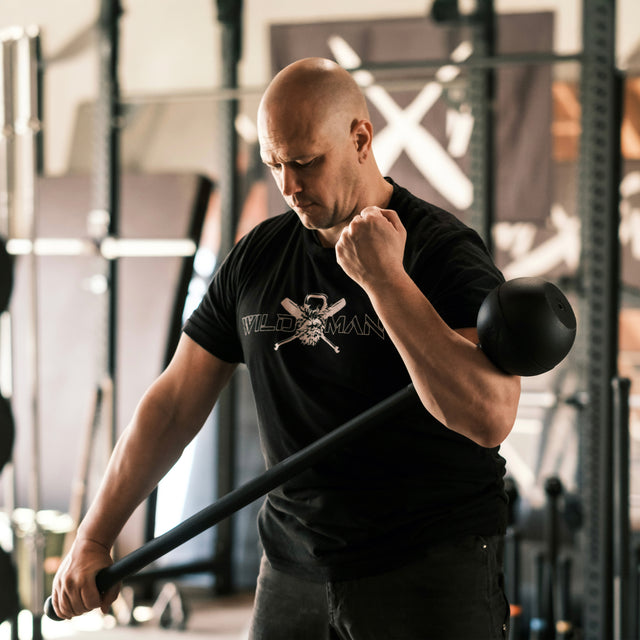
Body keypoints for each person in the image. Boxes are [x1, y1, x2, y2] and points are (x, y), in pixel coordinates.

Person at [51, 57, 520, 639]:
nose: (291, 186)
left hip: (425, 567)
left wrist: (385, 282)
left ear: (360, 138)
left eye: (305, 162)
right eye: (276, 164)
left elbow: (488, 417)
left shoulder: (443, 252)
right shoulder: (259, 257)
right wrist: (94, 537)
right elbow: (173, 403)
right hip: (292, 569)